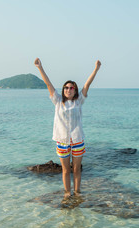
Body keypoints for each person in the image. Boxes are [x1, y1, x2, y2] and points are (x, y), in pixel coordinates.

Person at [34, 57, 101, 198]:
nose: (68, 89)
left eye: (71, 88)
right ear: (63, 89)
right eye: (66, 87)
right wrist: (40, 67)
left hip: (77, 140)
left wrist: (96, 69)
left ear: (75, 90)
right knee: (65, 170)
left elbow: (87, 85)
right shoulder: (58, 101)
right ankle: (67, 193)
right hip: (62, 141)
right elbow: (48, 84)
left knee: (76, 169)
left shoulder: (79, 101)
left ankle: (77, 193)